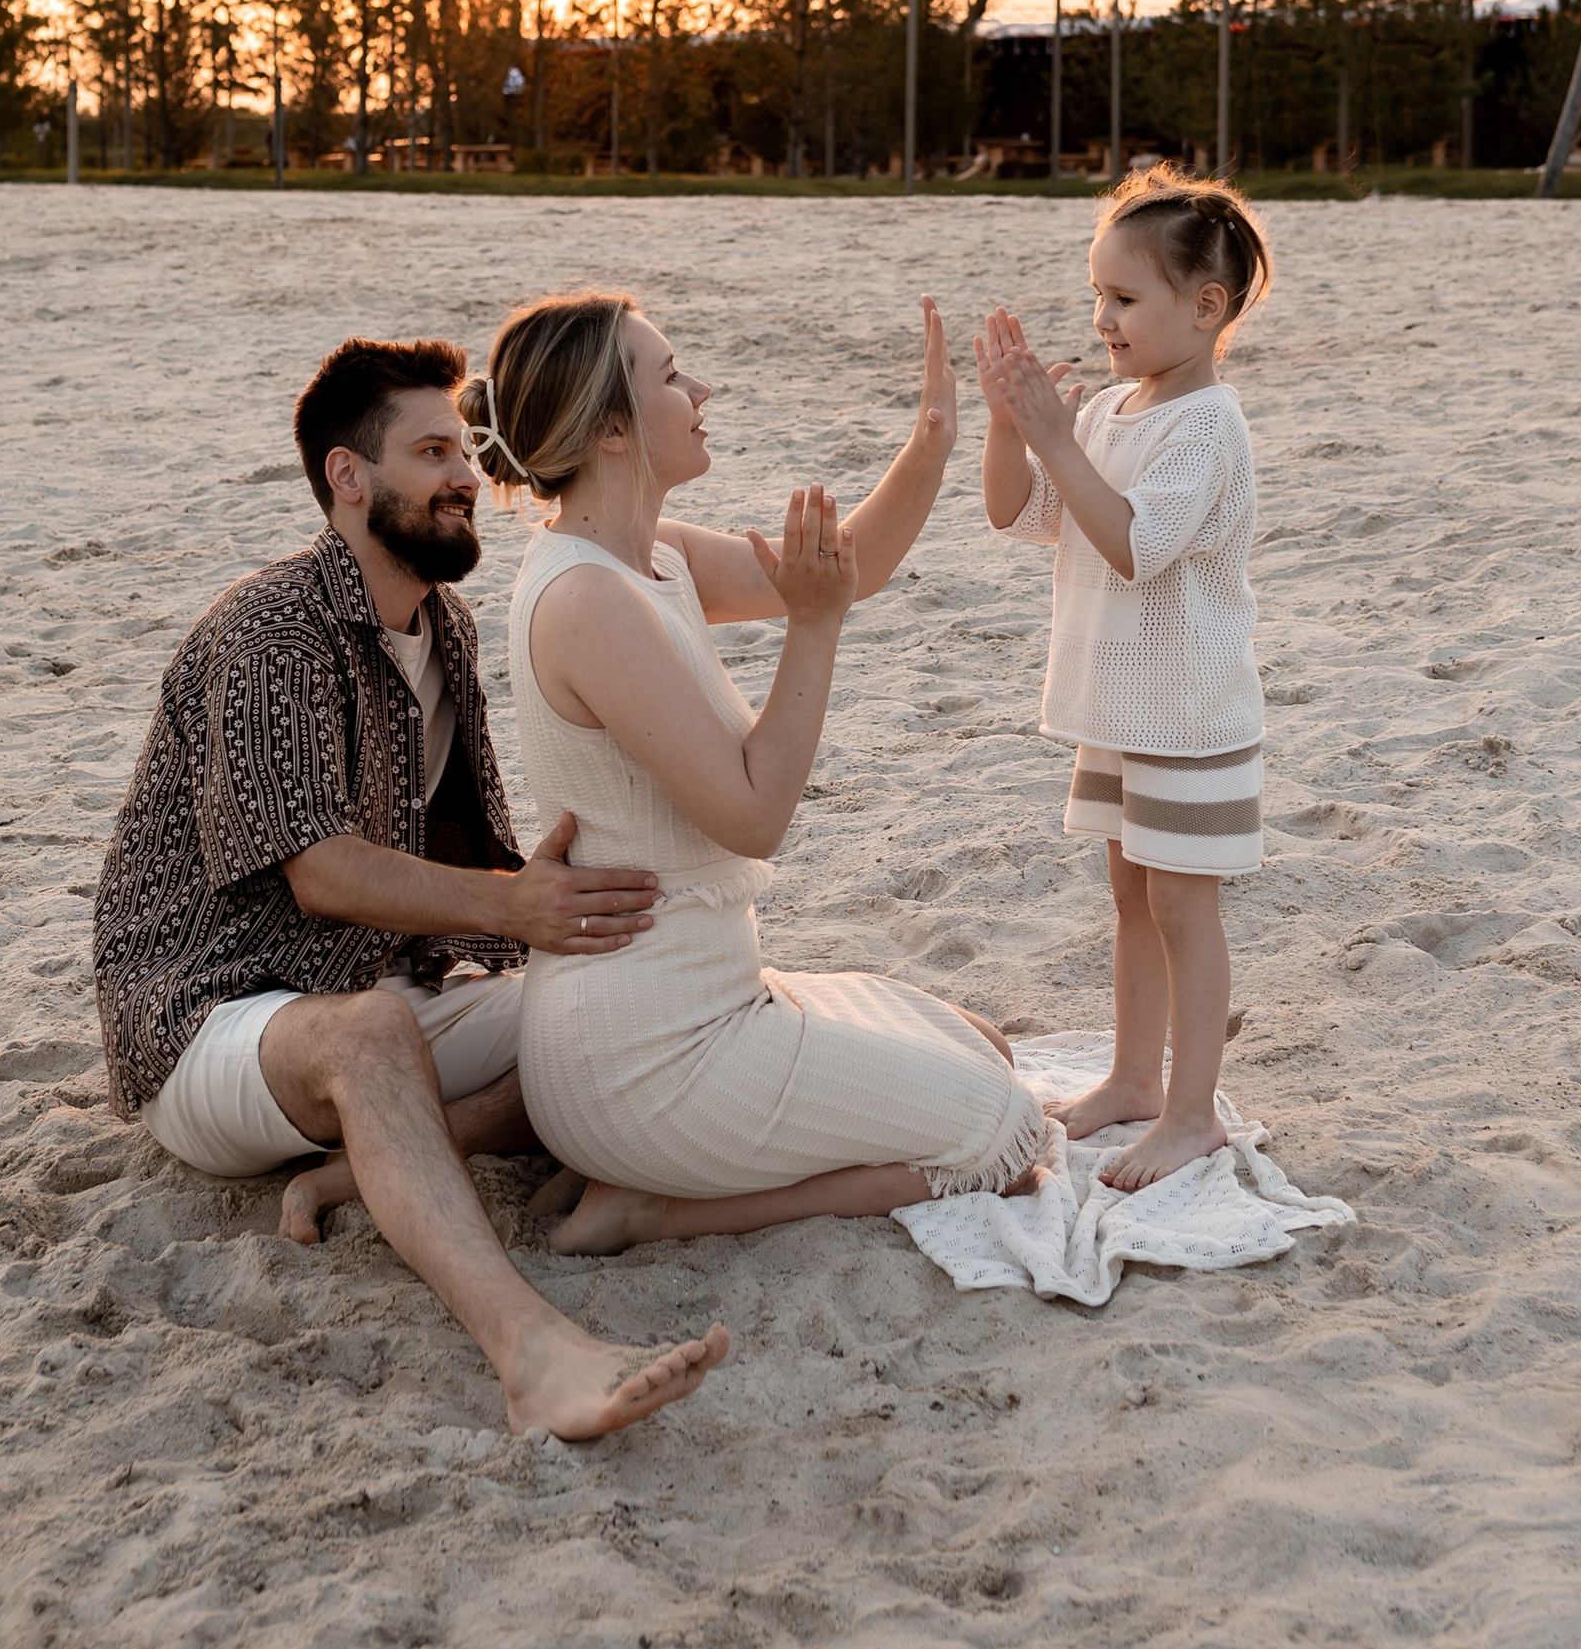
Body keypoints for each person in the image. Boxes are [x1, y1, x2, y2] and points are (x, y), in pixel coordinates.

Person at [92, 336, 729, 1440]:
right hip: (207, 1013)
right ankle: (532, 1357)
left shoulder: (444, 627)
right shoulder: (272, 630)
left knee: (609, 1007)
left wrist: (567, 916)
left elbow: (463, 853)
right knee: (374, 1034)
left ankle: (361, 1169)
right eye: (432, 452)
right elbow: (322, 871)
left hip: (371, 988)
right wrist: (510, 906)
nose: (464, 476)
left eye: (464, 452)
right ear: (348, 476)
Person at [470, 289, 1046, 1253]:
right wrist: (813, 627)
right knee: (1008, 1138)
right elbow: (753, 816)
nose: (701, 389)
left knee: (985, 1048)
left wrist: (930, 442)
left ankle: (639, 1174)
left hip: (707, 993)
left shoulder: (651, 558)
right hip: (648, 1059)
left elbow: (851, 567)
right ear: (611, 429)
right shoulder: (586, 600)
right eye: (671, 377)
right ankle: (651, 1207)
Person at [977, 171, 1271, 1191]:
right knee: (1131, 898)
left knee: (1184, 908)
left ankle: (1192, 1114)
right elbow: (1018, 514)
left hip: (1188, 715)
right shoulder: (1109, 409)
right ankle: (1136, 1079)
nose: (1102, 318)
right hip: (1120, 710)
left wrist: (1058, 438)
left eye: (1125, 298)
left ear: (1205, 307)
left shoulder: (1207, 425)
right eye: (1095, 295)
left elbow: (1136, 544)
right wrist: (1011, 426)